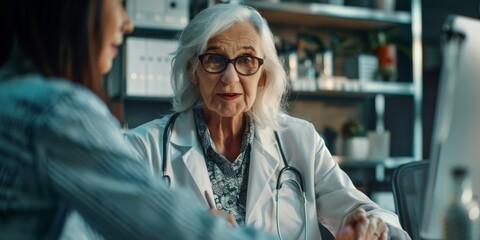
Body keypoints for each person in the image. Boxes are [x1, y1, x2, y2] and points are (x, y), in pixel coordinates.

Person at [125, 3, 411, 240]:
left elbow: (365, 212)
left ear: (263, 75)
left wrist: (370, 227)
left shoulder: (300, 141)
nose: (230, 77)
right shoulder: (144, 149)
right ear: (193, 70)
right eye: (214, 59)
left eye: (247, 60)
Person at [0, 0, 270, 239]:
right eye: (118, 4)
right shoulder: (58, 113)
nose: (127, 24)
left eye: (246, 60)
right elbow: (172, 229)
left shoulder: (11, 99)